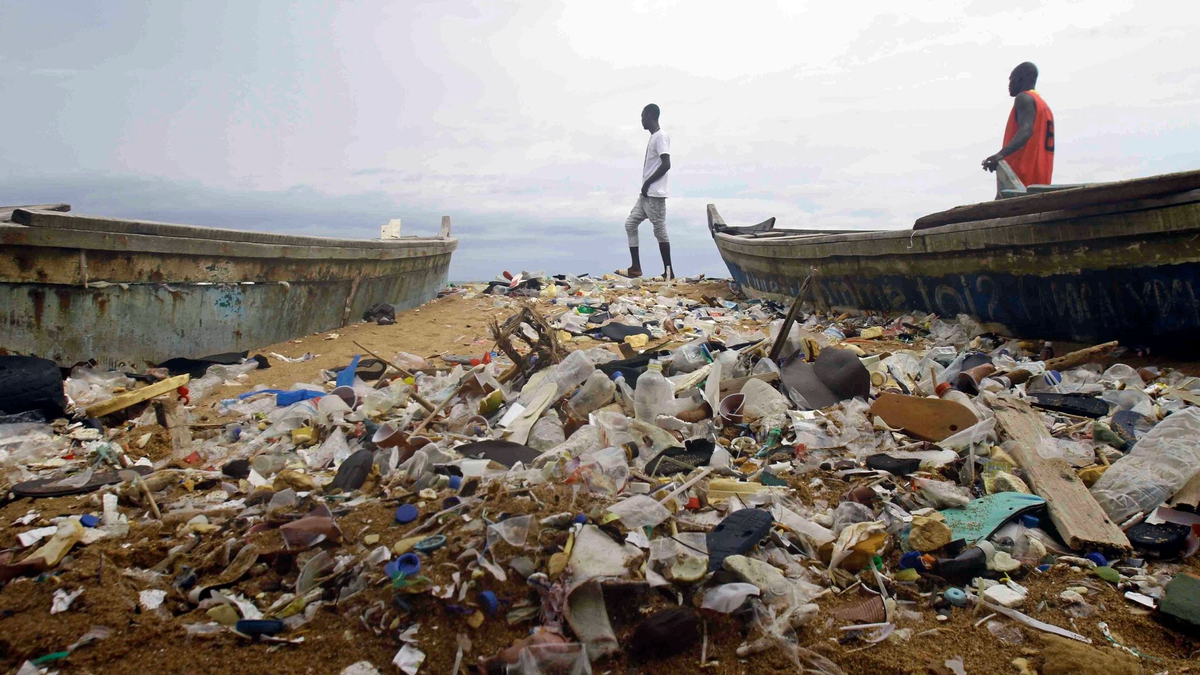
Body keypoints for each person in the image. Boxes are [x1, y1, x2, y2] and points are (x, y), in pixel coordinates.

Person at [618, 103, 672, 279]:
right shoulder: (654, 137)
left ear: (650, 115)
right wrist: (645, 188)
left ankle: (669, 272)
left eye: (642, 116)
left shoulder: (661, 136)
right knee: (630, 224)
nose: (641, 119)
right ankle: (635, 268)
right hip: (646, 194)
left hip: (655, 194)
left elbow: (666, 164)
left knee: (659, 231)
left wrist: (648, 183)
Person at [982, 62, 1055, 193]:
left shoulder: (1024, 98)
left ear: (1020, 78)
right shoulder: (1043, 106)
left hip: (1021, 177)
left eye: (1011, 79)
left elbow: (1026, 131)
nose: (1009, 85)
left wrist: (1000, 155)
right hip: (1040, 178)